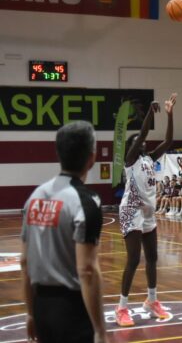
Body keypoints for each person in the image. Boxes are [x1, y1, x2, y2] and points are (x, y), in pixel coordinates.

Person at [21, 121, 107, 343]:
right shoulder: (86, 201)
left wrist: (30, 313)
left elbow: (24, 262)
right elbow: (87, 270)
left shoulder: (34, 198)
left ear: (58, 153)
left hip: (41, 306)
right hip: (73, 310)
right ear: (92, 157)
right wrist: (100, 330)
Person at [116, 93, 177, 327]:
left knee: (152, 257)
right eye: (137, 140)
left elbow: (168, 141)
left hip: (148, 211)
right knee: (133, 259)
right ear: (132, 146)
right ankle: (121, 307)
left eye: (141, 141)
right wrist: (150, 113)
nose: (141, 141)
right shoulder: (130, 160)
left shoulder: (149, 159)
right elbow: (142, 134)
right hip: (131, 210)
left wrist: (169, 115)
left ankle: (152, 300)